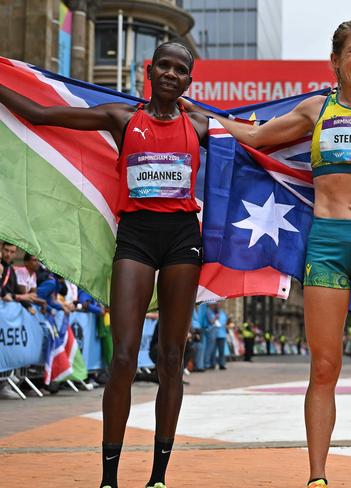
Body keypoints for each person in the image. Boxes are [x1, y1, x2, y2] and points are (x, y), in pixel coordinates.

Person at [185, 16, 351, 488]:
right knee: (323, 366)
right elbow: (259, 138)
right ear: (336, 61)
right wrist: (204, 117)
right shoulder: (314, 110)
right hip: (325, 243)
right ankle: (317, 476)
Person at [0, 41, 209, 488]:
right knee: (123, 359)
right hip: (135, 238)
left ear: (190, 81)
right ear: (149, 72)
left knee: (172, 357)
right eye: (164, 67)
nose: (172, 74)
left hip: (182, 241)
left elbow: (264, 135)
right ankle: (109, 479)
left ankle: (158, 477)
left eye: (181, 69)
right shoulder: (121, 118)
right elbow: (40, 115)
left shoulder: (202, 125)